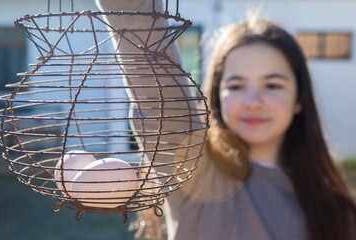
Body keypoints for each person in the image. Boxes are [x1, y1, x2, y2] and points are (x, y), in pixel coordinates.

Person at [95, 1, 356, 240]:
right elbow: (157, 94)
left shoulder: (335, 210)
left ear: (299, 98)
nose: (253, 101)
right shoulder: (195, 170)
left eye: (273, 85)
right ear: (218, 97)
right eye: (237, 85)